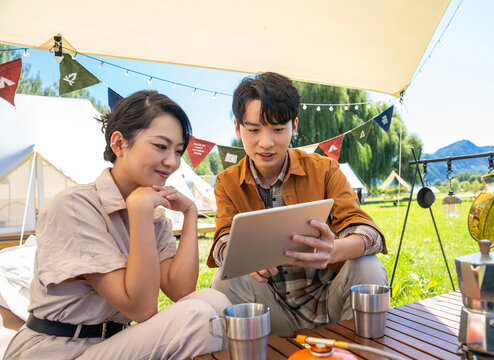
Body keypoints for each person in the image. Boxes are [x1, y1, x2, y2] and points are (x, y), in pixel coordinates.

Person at [4, 91, 230, 359]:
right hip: (57, 349)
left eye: (178, 151)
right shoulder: (75, 206)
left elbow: (181, 290)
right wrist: (139, 212)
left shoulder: (151, 212)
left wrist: (191, 213)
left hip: (111, 344)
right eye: (161, 146)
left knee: (215, 301)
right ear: (119, 143)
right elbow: (141, 309)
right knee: (199, 317)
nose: (172, 162)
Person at [208, 72, 388, 337]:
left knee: (368, 265)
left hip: (331, 299)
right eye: (254, 130)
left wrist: (335, 250)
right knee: (224, 281)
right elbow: (221, 241)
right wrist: (243, 257)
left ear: (294, 126)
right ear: (237, 127)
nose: (266, 143)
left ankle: (365, 352)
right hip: (272, 310)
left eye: (278, 130)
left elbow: (369, 234)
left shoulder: (324, 169)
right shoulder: (227, 182)